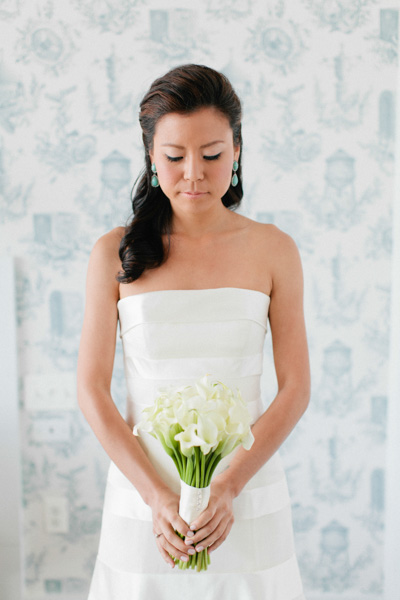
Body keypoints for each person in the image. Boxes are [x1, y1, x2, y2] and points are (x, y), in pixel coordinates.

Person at [77, 63, 310, 600]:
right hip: (144, 498)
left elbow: (296, 387)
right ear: (151, 160)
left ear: (236, 151)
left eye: (212, 155)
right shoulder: (113, 252)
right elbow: (91, 389)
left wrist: (228, 486)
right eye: (174, 157)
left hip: (244, 493)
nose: (194, 175)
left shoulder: (274, 248)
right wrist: (155, 495)